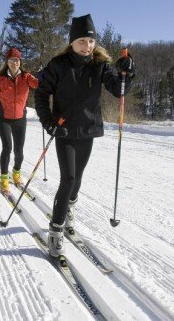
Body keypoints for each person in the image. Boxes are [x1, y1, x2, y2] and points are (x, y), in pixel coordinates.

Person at [34, 14, 135, 258]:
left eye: (90, 41)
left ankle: (69, 209)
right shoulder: (57, 65)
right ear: (72, 42)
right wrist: (49, 123)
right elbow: (40, 95)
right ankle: (56, 232)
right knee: (68, 179)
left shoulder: (99, 65)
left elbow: (118, 90)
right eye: (81, 41)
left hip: (88, 129)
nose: (87, 46)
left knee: (77, 179)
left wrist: (127, 73)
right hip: (65, 129)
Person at [0, 47, 39, 193]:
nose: (14, 62)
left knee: (19, 151)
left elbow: (38, 85)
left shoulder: (26, 77)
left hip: (20, 119)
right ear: (7, 62)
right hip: (4, 119)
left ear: (20, 61)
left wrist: (43, 76)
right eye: (11, 60)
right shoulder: (0, 80)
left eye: (17, 59)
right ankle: (3, 179)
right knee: (7, 148)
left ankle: (16, 173)